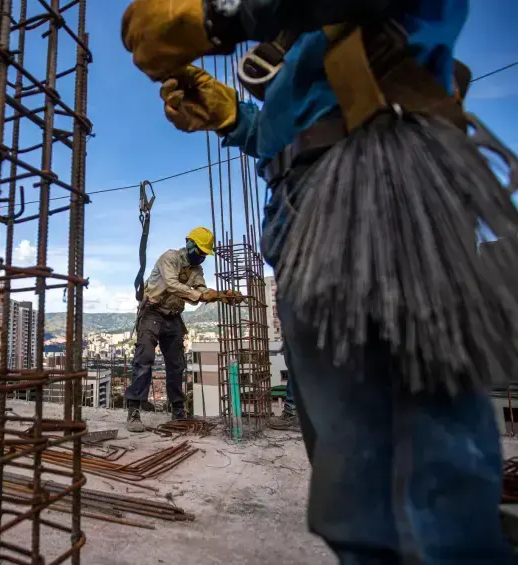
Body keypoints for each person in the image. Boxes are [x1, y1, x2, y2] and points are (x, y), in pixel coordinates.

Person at [122, 0, 516, 562]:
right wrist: (239, 120)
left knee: (420, 485)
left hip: (375, 179)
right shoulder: (309, 34)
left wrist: (224, 16)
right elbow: (300, 119)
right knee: (355, 486)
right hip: (302, 205)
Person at [125, 227, 240, 432]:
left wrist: (221, 295)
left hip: (173, 316)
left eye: (205, 254)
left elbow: (200, 290)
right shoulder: (169, 258)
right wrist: (202, 295)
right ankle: (134, 409)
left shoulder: (196, 270)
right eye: (200, 252)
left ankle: (178, 411)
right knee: (144, 359)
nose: (202, 257)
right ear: (190, 245)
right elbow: (172, 285)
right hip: (152, 313)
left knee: (177, 365)